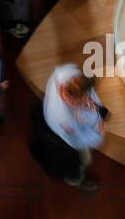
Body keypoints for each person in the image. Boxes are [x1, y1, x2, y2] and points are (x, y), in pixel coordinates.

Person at [38, 62, 105, 190]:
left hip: (59, 122)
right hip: (63, 140)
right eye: (82, 100)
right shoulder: (63, 119)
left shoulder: (69, 74)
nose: (88, 101)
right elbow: (77, 141)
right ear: (71, 99)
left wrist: (95, 106)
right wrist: (98, 134)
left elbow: (90, 94)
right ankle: (76, 180)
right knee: (80, 161)